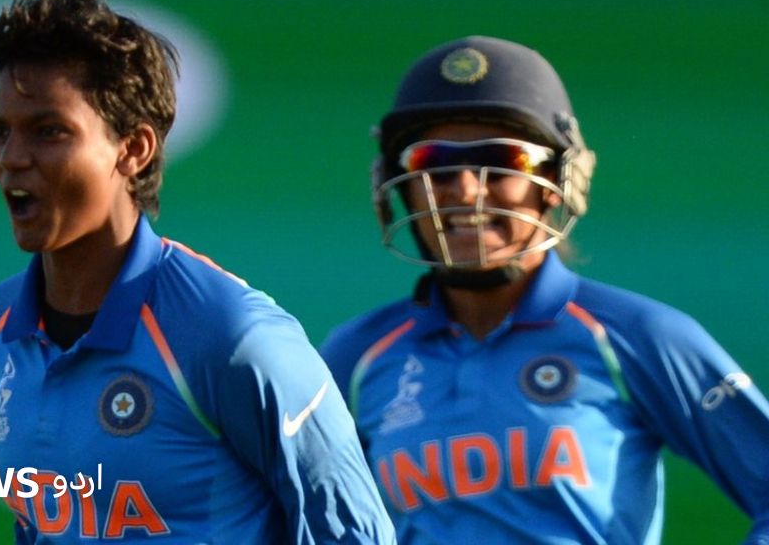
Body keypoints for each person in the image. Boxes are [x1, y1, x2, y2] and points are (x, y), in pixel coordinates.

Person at [0, 0, 395, 544]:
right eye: (1, 131)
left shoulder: (230, 334)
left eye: (49, 131)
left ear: (134, 149)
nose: (12, 158)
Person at [321, 35, 769, 544]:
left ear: (561, 179)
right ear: (399, 184)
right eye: (433, 162)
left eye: (501, 159)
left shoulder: (635, 336)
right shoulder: (357, 357)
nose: (465, 189)